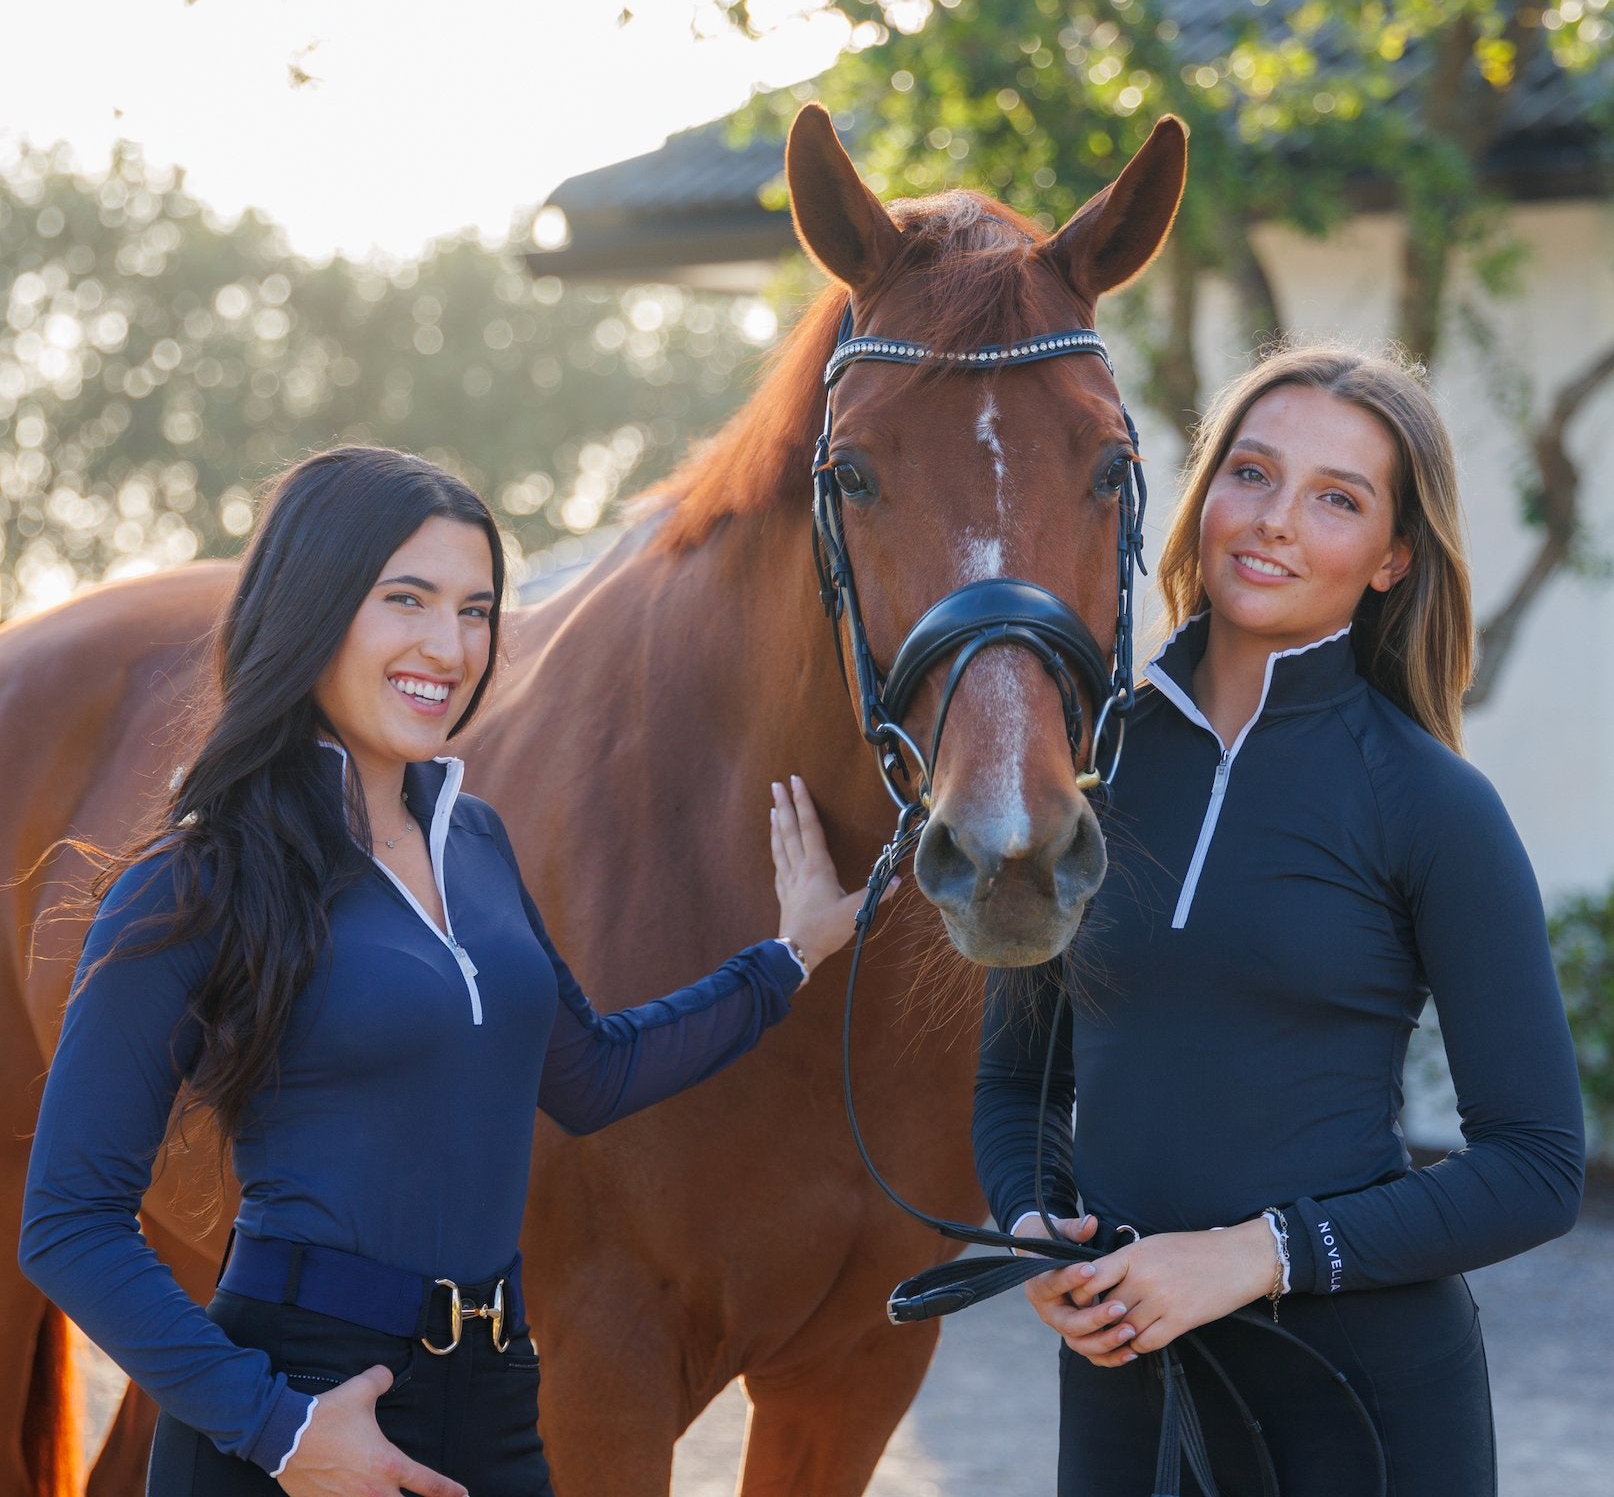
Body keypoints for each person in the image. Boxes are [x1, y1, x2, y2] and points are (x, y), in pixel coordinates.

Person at [21, 445, 874, 1497]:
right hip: (298, 1402)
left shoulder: (472, 843)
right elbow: (67, 1220)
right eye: (408, 600)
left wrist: (787, 959)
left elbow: (589, 1075)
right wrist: (277, 1428)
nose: (451, 644)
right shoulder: (198, 873)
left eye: (476, 610)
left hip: (497, 1385)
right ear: (314, 608)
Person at [972, 346, 1585, 1494]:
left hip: (1365, 1404)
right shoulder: (1082, 777)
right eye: (1251, 474)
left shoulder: (1431, 804)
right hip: (1124, 1388)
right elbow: (1017, 1085)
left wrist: (1253, 1256)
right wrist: (1038, 1225)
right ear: (1204, 498)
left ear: (1394, 558)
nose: (1275, 524)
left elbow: (1539, 1163)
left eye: (1336, 498)